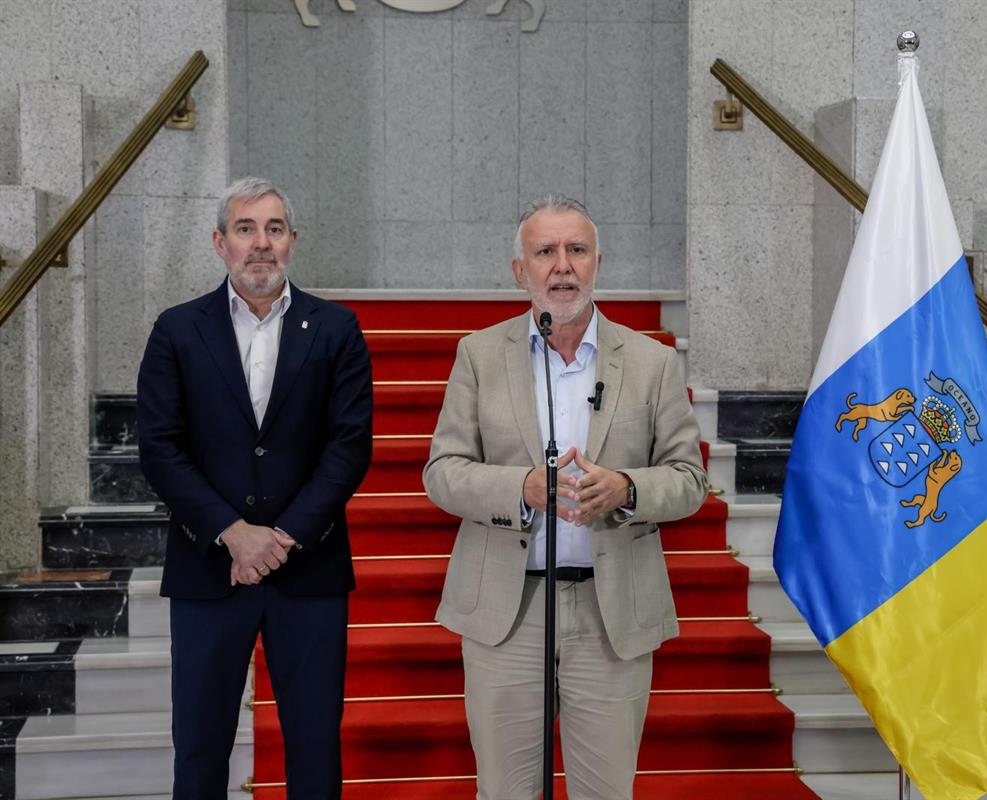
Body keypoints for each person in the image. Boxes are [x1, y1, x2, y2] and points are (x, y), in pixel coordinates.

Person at [423, 195, 708, 800]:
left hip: (611, 612)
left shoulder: (652, 362)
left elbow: (689, 478)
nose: (562, 266)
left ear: (598, 262)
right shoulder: (479, 355)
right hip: (508, 610)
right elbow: (442, 472)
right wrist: (520, 488)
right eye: (545, 252)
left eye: (577, 250)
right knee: (505, 791)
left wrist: (628, 488)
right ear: (519, 270)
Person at [136, 177, 373, 799]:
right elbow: (159, 447)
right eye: (245, 229)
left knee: (315, 751)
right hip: (208, 570)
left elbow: (349, 446)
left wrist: (283, 537)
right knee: (199, 748)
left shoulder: (336, 328)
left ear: (293, 241)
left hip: (310, 571)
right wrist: (233, 534)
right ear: (221, 243)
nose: (261, 243)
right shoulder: (177, 329)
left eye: (274, 229)